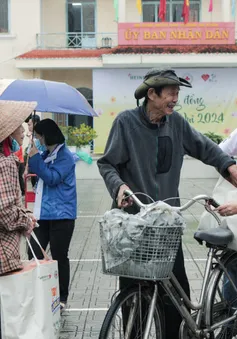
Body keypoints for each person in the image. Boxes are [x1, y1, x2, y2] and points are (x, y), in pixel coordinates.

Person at [97, 68, 237, 339]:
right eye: (171, 92)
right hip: (134, 225)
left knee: (176, 296)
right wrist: (120, 187)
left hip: (167, 224)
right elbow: (107, 164)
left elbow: (206, 149)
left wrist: (229, 167)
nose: (175, 98)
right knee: (134, 290)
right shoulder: (126, 123)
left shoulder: (177, 124)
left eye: (177, 93)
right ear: (152, 94)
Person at [27, 118, 77, 311]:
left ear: (46, 135)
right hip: (43, 214)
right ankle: (37, 293)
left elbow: (52, 178)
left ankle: (62, 296)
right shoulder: (46, 153)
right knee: (34, 253)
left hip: (61, 215)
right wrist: (32, 159)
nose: (37, 139)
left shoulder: (65, 156)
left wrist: (36, 160)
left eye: (39, 136)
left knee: (59, 256)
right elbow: (39, 178)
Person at [24, 114, 44, 188]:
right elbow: (29, 154)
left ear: (35, 124)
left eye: (29, 125)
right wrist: (26, 169)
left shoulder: (41, 138)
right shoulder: (32, 138)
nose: (28, 127)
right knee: (35, 188)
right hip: (33, 168)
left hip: (41, 167)